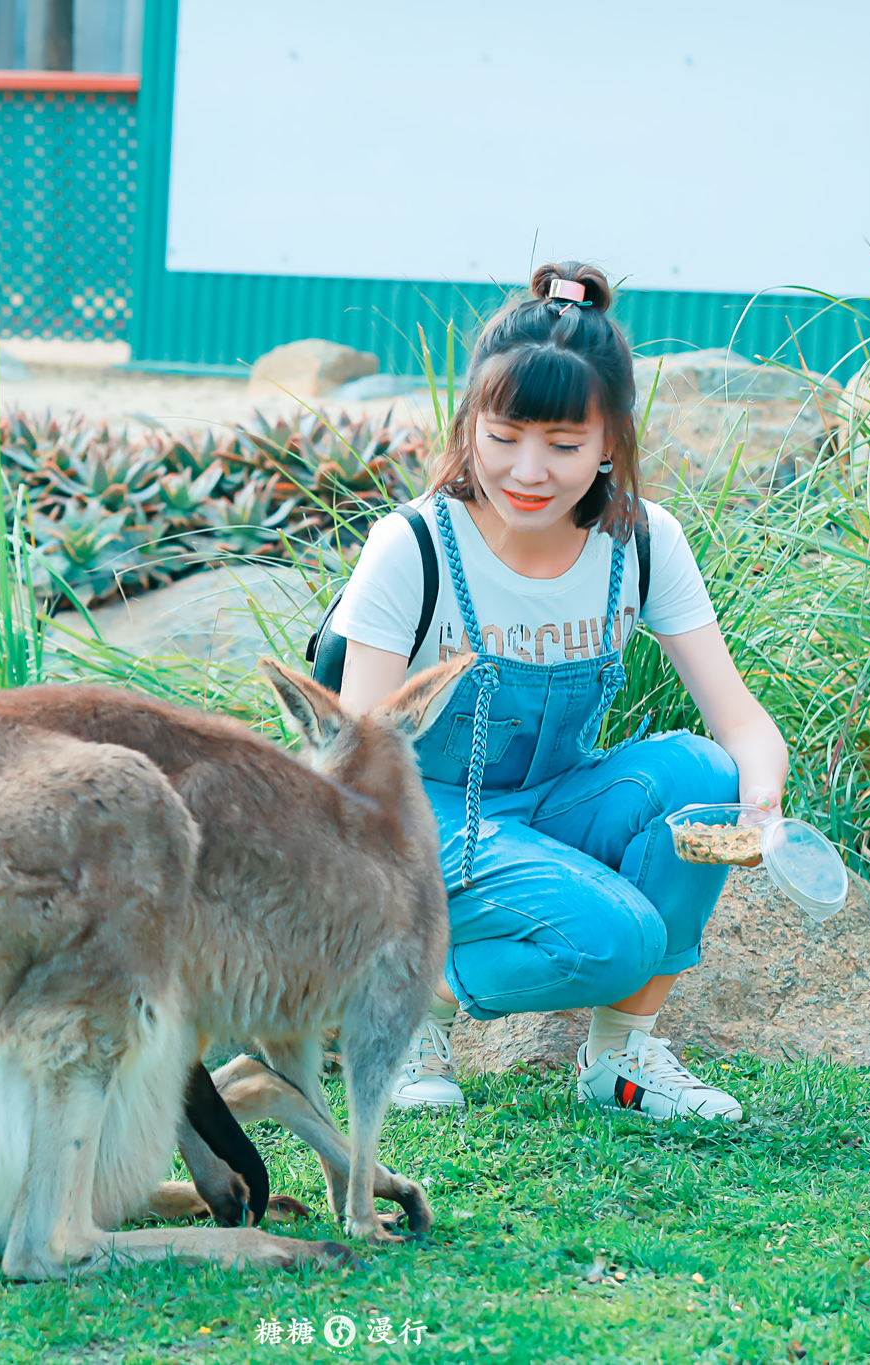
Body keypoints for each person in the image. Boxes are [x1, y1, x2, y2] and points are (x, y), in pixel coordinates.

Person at [327, 262, 789, 1120]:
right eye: (503, 436)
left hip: (547, 803)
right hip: (412, 823)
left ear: (611, 440)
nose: (528, 470)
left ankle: (623, 1060)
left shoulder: (642, 543)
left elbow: (740, 722)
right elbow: (358, 767)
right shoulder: (415, 547)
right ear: (471, 424)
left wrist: (760, 804)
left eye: (564, 445)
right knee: (621, 937)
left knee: (703, 778)